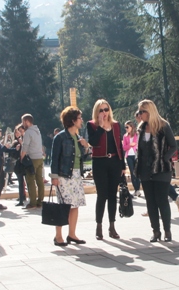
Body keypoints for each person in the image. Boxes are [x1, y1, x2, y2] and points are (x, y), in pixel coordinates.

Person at [134, 99, 177, 242]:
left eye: (142, 111)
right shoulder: (140, 128)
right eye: (139, 112)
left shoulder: (163, 126)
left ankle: (167, 231)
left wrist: (165, 158)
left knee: (162, 200)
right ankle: (156, 231)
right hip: (145, 171)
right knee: (150, 202)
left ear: (149, 111)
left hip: (162, 170)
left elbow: (173, 146)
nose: (139, 114)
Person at [50, 107, 89, 246]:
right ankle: (58, 236)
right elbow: (54, 159)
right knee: (63, 206)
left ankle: (72, 234)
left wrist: (85, 147)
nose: (81, 120)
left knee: (75, 205)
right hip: (64, 176)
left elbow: (81, 158)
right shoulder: (60, 137)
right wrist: (54, 177)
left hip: (77, 176)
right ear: (73, 120)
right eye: (79, 118)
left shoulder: (78, 137)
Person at [87, 99, 125, 240]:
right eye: (101, 110)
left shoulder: (116, 125)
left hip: (114, 161)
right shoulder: (92, 125)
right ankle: (99, 226)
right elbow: (93, 142)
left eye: (106, 109)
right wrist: (101, 127)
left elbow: (120, 146)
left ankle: (112, 226)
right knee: (102, 195)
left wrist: (122, 166)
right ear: (97, 112)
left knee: (112, 196)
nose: (104, 112)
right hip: (99, 162)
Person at [20, 114, 45, 210]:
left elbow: (25, 146)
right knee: (40, 180)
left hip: (32, 159)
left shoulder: (28, 132)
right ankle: (40, 201)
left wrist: (22, 158)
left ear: (26, 121)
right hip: (39, 157)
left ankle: (33, 202)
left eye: (23, 122)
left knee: (30, 180)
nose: (22, 124)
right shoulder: (37, 131)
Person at [122, 120, 142, 198]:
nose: (126, 128)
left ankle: (138, 189)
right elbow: (124, 147)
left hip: (136, 155)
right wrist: (130, 144)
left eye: (127, 127)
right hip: (128, 156)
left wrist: (129, 145)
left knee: (137, 173)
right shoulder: (125, 136)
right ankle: (136, 189)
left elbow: (136, 143)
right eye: (125, 127)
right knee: (132, 173)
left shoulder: (137, 135)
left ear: (132, 127)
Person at [11, 125, 27, 206]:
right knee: (20, 182)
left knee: (28, 182)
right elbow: (13, 155)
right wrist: (16, 149)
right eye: (17, 132)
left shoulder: (26, 140)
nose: (19, 133)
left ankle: (26, 198)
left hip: (26, 163)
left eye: (20, 131)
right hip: (19, 164)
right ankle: (21, 199)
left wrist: (22, 144)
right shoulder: (16, 142)